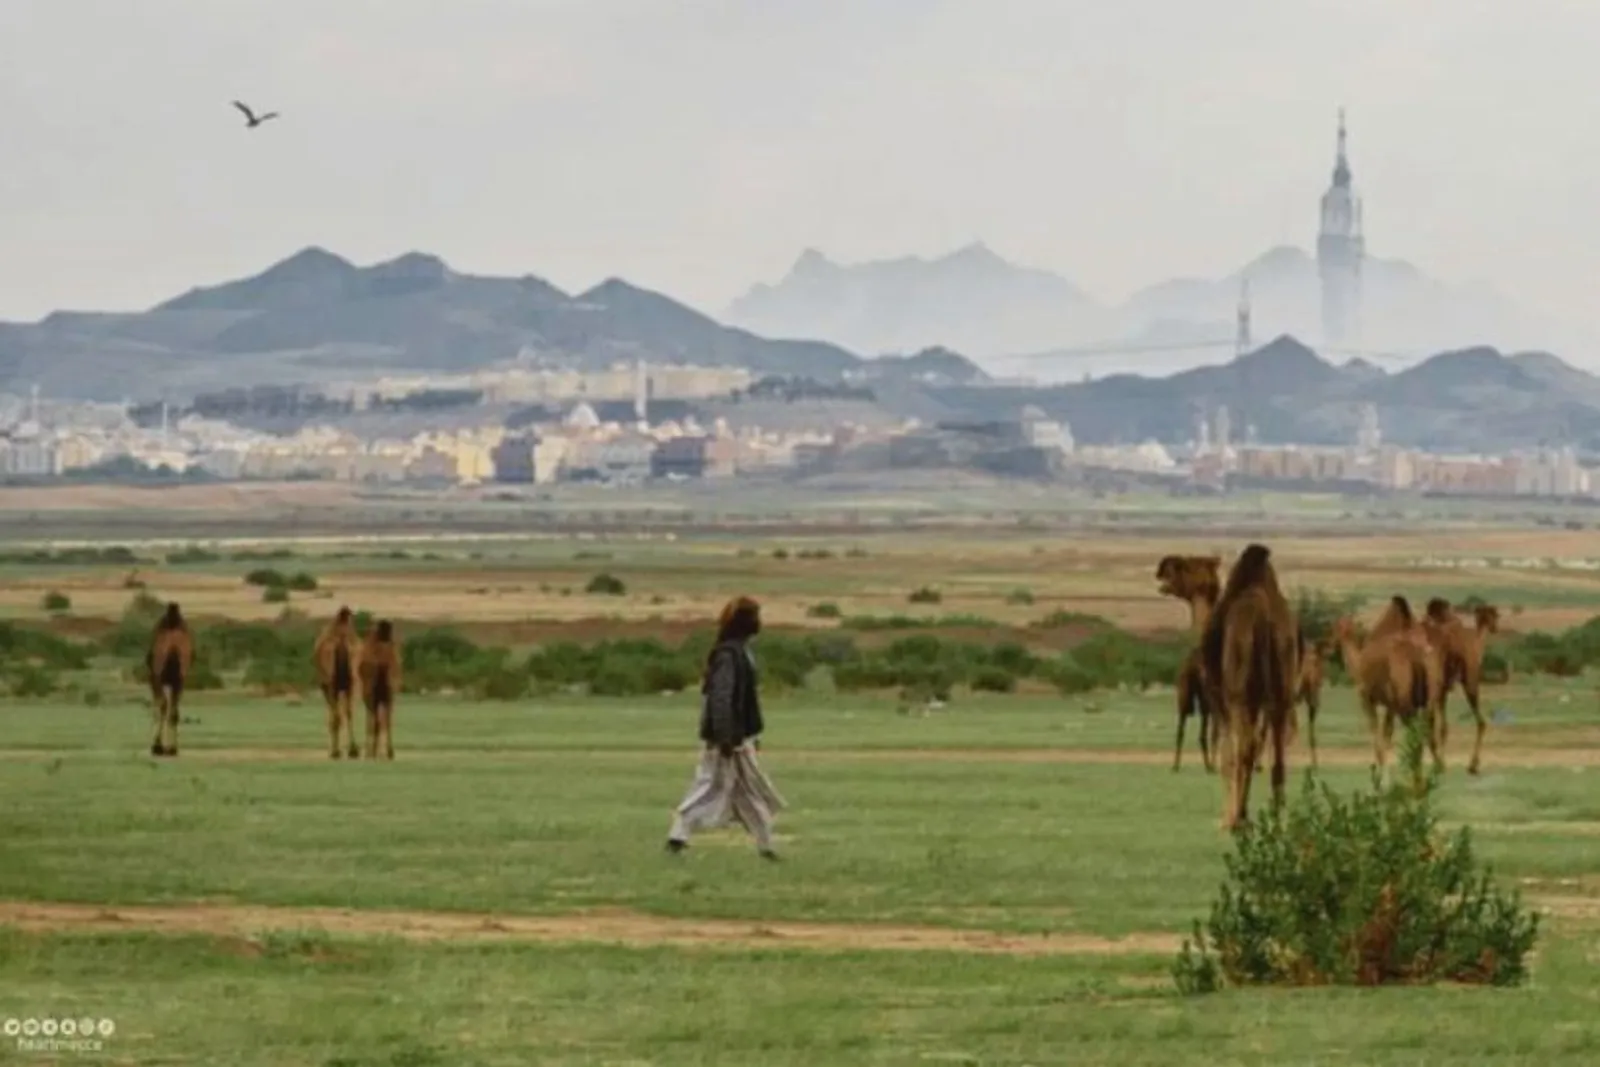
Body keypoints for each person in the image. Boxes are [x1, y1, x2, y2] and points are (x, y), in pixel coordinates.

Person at [666, 596, 785, 860]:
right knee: (710, 786)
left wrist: (751, 735)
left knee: (749, 791)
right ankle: (677, 834)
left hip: (740, 738)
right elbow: (721, 698)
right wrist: (725, 737)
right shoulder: (729, 655)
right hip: (728, 740)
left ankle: (766, 846)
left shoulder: (738, 652)